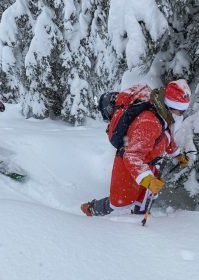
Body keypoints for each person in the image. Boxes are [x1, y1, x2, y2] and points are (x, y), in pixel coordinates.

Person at [81, 79, 191, 216]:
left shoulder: (164, 114)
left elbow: (165, 137)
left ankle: (137, 222)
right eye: (180, 111)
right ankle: (92, 209)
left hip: (147, 165)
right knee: (119, 202)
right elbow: (132, 156)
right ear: (170, 105)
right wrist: (147, 179)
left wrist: (177, 154)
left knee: (143, 199)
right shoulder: (150, 122)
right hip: (129, 166)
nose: (181, 114)